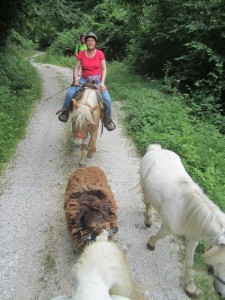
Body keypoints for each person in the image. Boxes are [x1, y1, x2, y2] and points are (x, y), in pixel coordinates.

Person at [57, 32, 115, 131]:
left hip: (97, 80)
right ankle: (65, 112)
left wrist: (103, 83)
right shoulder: (81, 54)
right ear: (86, 42)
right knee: (70, 93)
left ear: (95, 42)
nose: (90, 42)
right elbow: (76, 68)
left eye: (92, 41)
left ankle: (108, 120)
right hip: (84, 79)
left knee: (107, 99)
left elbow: (104, 69)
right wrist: (76, 80)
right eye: (88, 41)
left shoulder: (100, 53)